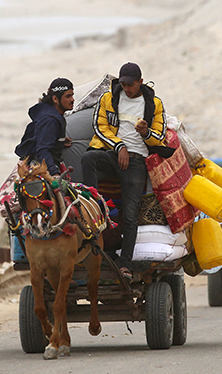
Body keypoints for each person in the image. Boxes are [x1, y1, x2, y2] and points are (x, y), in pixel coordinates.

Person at [81, 62, 167, 277]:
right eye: (123, 84)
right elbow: (99, 127)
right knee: (89, 158)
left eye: (130, 84)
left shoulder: (153, 104)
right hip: (113, 152)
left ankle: (125, 264)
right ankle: (94, 206)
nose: (126, 88)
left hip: (137, 162)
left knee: (130, 215)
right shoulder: (108, 98)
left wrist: (146, 132)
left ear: (140, 81)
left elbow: (160, 136)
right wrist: (119, 147)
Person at [15, 78, 75, 177]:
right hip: (40, 168)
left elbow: (41, 137)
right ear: (55, 99)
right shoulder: (50, 120)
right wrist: (54, 173)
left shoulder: (50, 114)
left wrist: (59, 141)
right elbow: (43, 149)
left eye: (72, 95)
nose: (72, 99)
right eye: (68, 96)